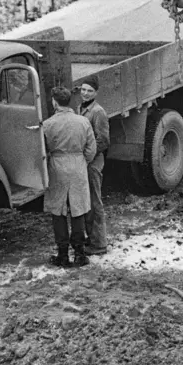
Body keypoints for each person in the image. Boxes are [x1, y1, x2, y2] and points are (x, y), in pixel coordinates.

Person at [42, 85, 97, 268]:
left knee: (58, 211)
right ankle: (80, 254)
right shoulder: (83, 122)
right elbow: (91, 149)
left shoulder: (48, 124)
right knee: (78, 210)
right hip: (78, 165)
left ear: (54, 103)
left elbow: (43, 150)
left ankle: (63, 255)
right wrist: (83, 161)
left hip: (57, 166)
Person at [77, 77, 110, 254]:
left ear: (96, 93)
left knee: (95, 202)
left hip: (93, 162)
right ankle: (92, 239)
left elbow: (103, 140)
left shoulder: (98, 112)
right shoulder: (80, 109)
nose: (85, 93)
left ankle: (99, 244)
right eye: (83, 90)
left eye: (89, 91)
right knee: (87, 202)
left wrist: (88, 155)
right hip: (85, 162)